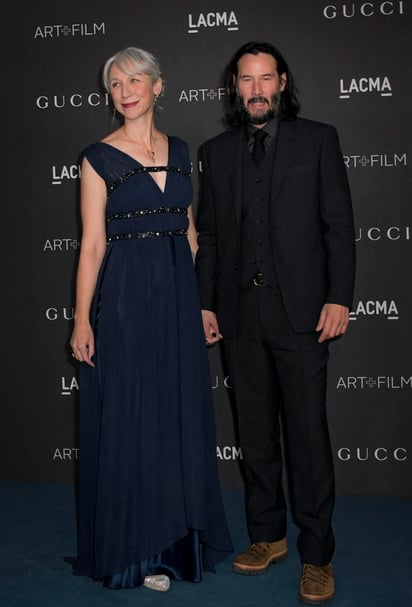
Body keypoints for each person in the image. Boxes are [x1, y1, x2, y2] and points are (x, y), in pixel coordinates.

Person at [195, 41, 356, 604]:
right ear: (234, 87)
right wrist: (206, 302)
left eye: (266, 78)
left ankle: (316, 554)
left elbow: (339, 227)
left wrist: (340, 297)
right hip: (241, 316)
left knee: (308, 438)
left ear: (282, 82)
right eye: (246, 80)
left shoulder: (318, 140)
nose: (257, 89)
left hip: (303, 315)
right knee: (255, 436)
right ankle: (267, 535)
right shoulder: (214, 153)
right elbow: (210, 236)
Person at [69, 46, 233, 593]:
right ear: (110, 96)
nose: (126, 89)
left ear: (159, 86)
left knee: (175, 416)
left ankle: (173, 544)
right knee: (134, 417)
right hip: (125, 299)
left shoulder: (182, 151)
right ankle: (137, 552)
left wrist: (202, 304)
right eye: (115, 83)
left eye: (136, 79)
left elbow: (188, 235)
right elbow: (91, 245)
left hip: (178, 300)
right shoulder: (98, 157)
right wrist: (82, 320)